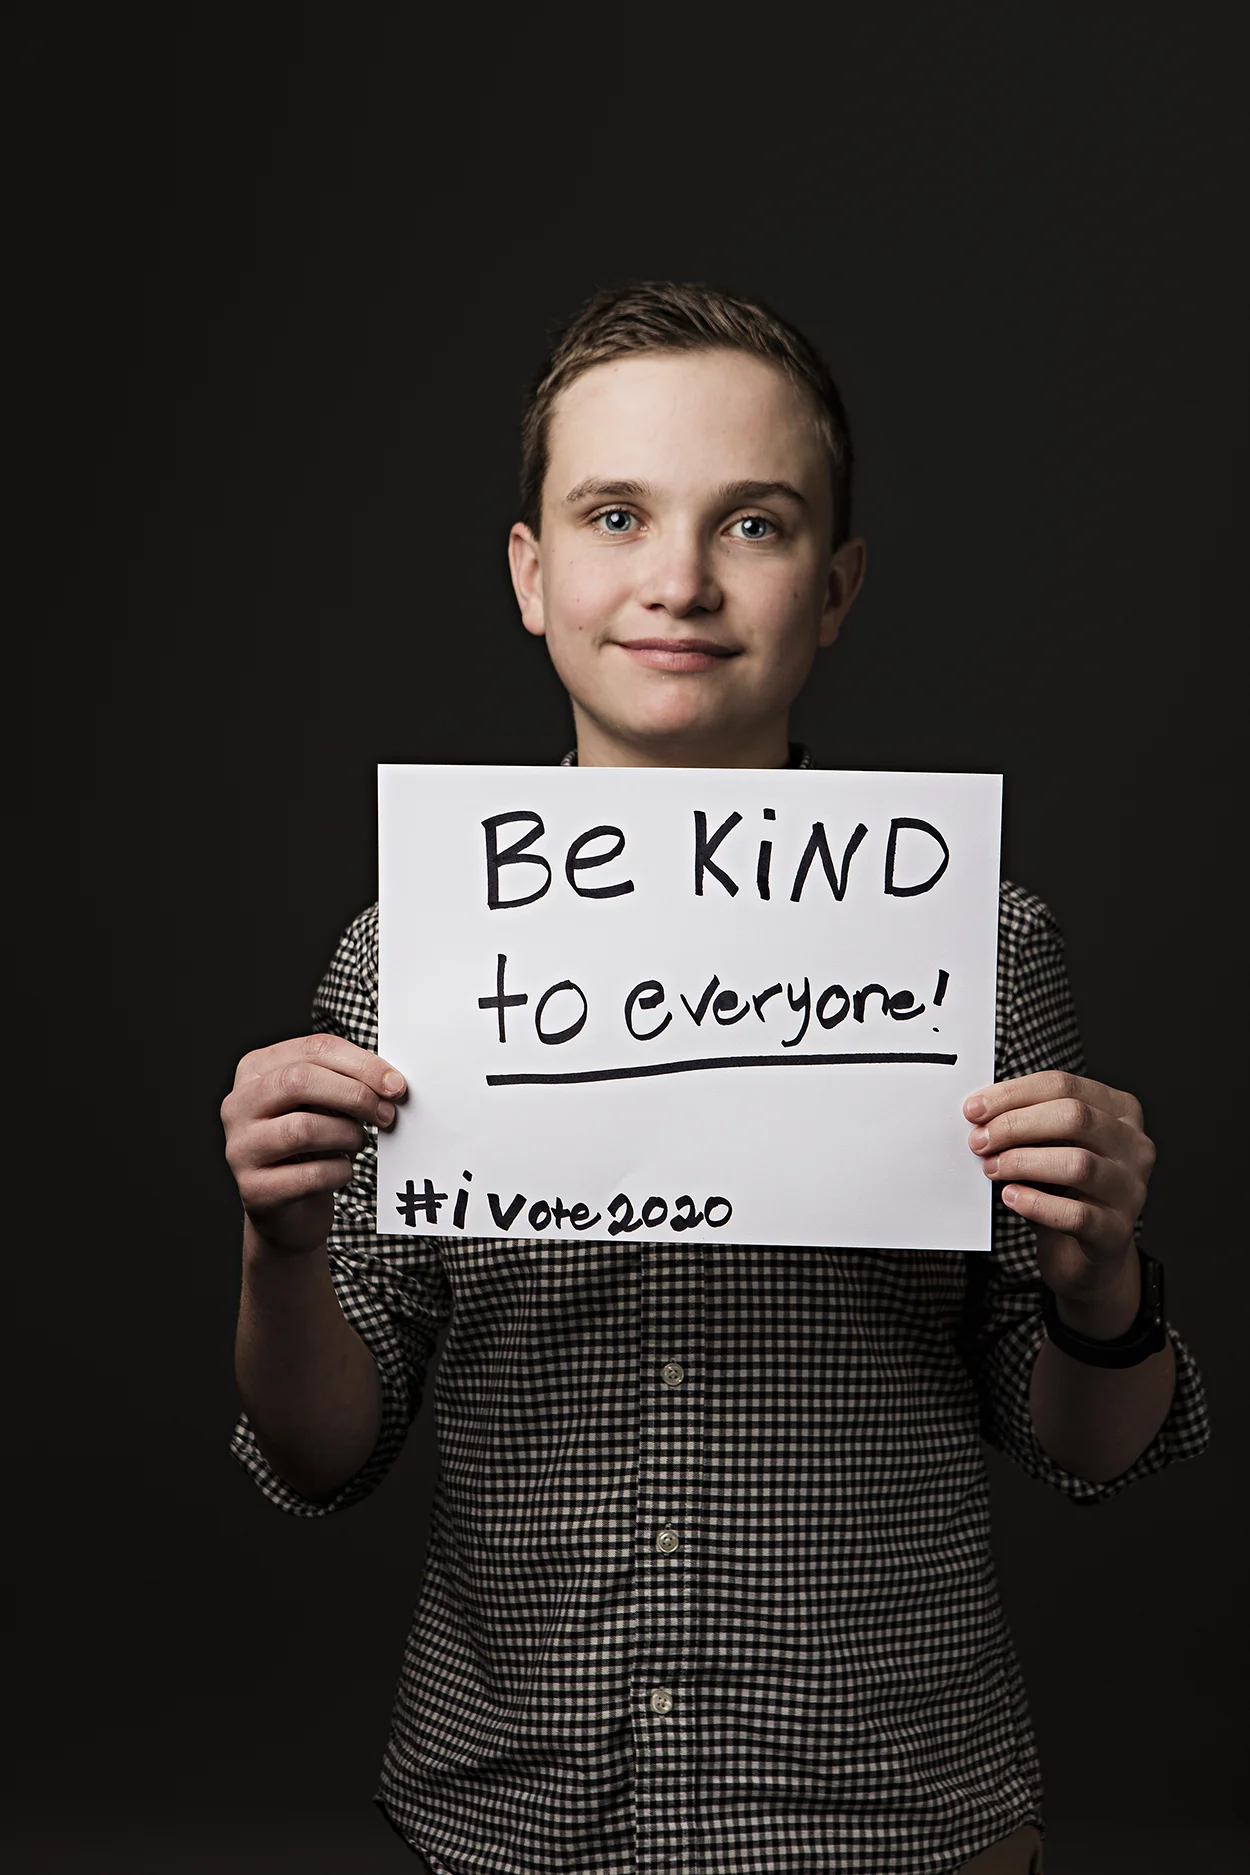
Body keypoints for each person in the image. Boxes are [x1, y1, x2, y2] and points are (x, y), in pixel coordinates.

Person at [222, 282, 1208, 1875]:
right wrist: (279, 1244)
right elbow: (326, 1451)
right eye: (615, 515)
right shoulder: (408, 959)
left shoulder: (975, 947)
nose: (677, 580)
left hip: (895, 1814)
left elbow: (1089, 1447)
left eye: (752, 523)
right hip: (516, 1812)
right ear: (531, 574)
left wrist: (1101, 1281)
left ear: (835, 586)